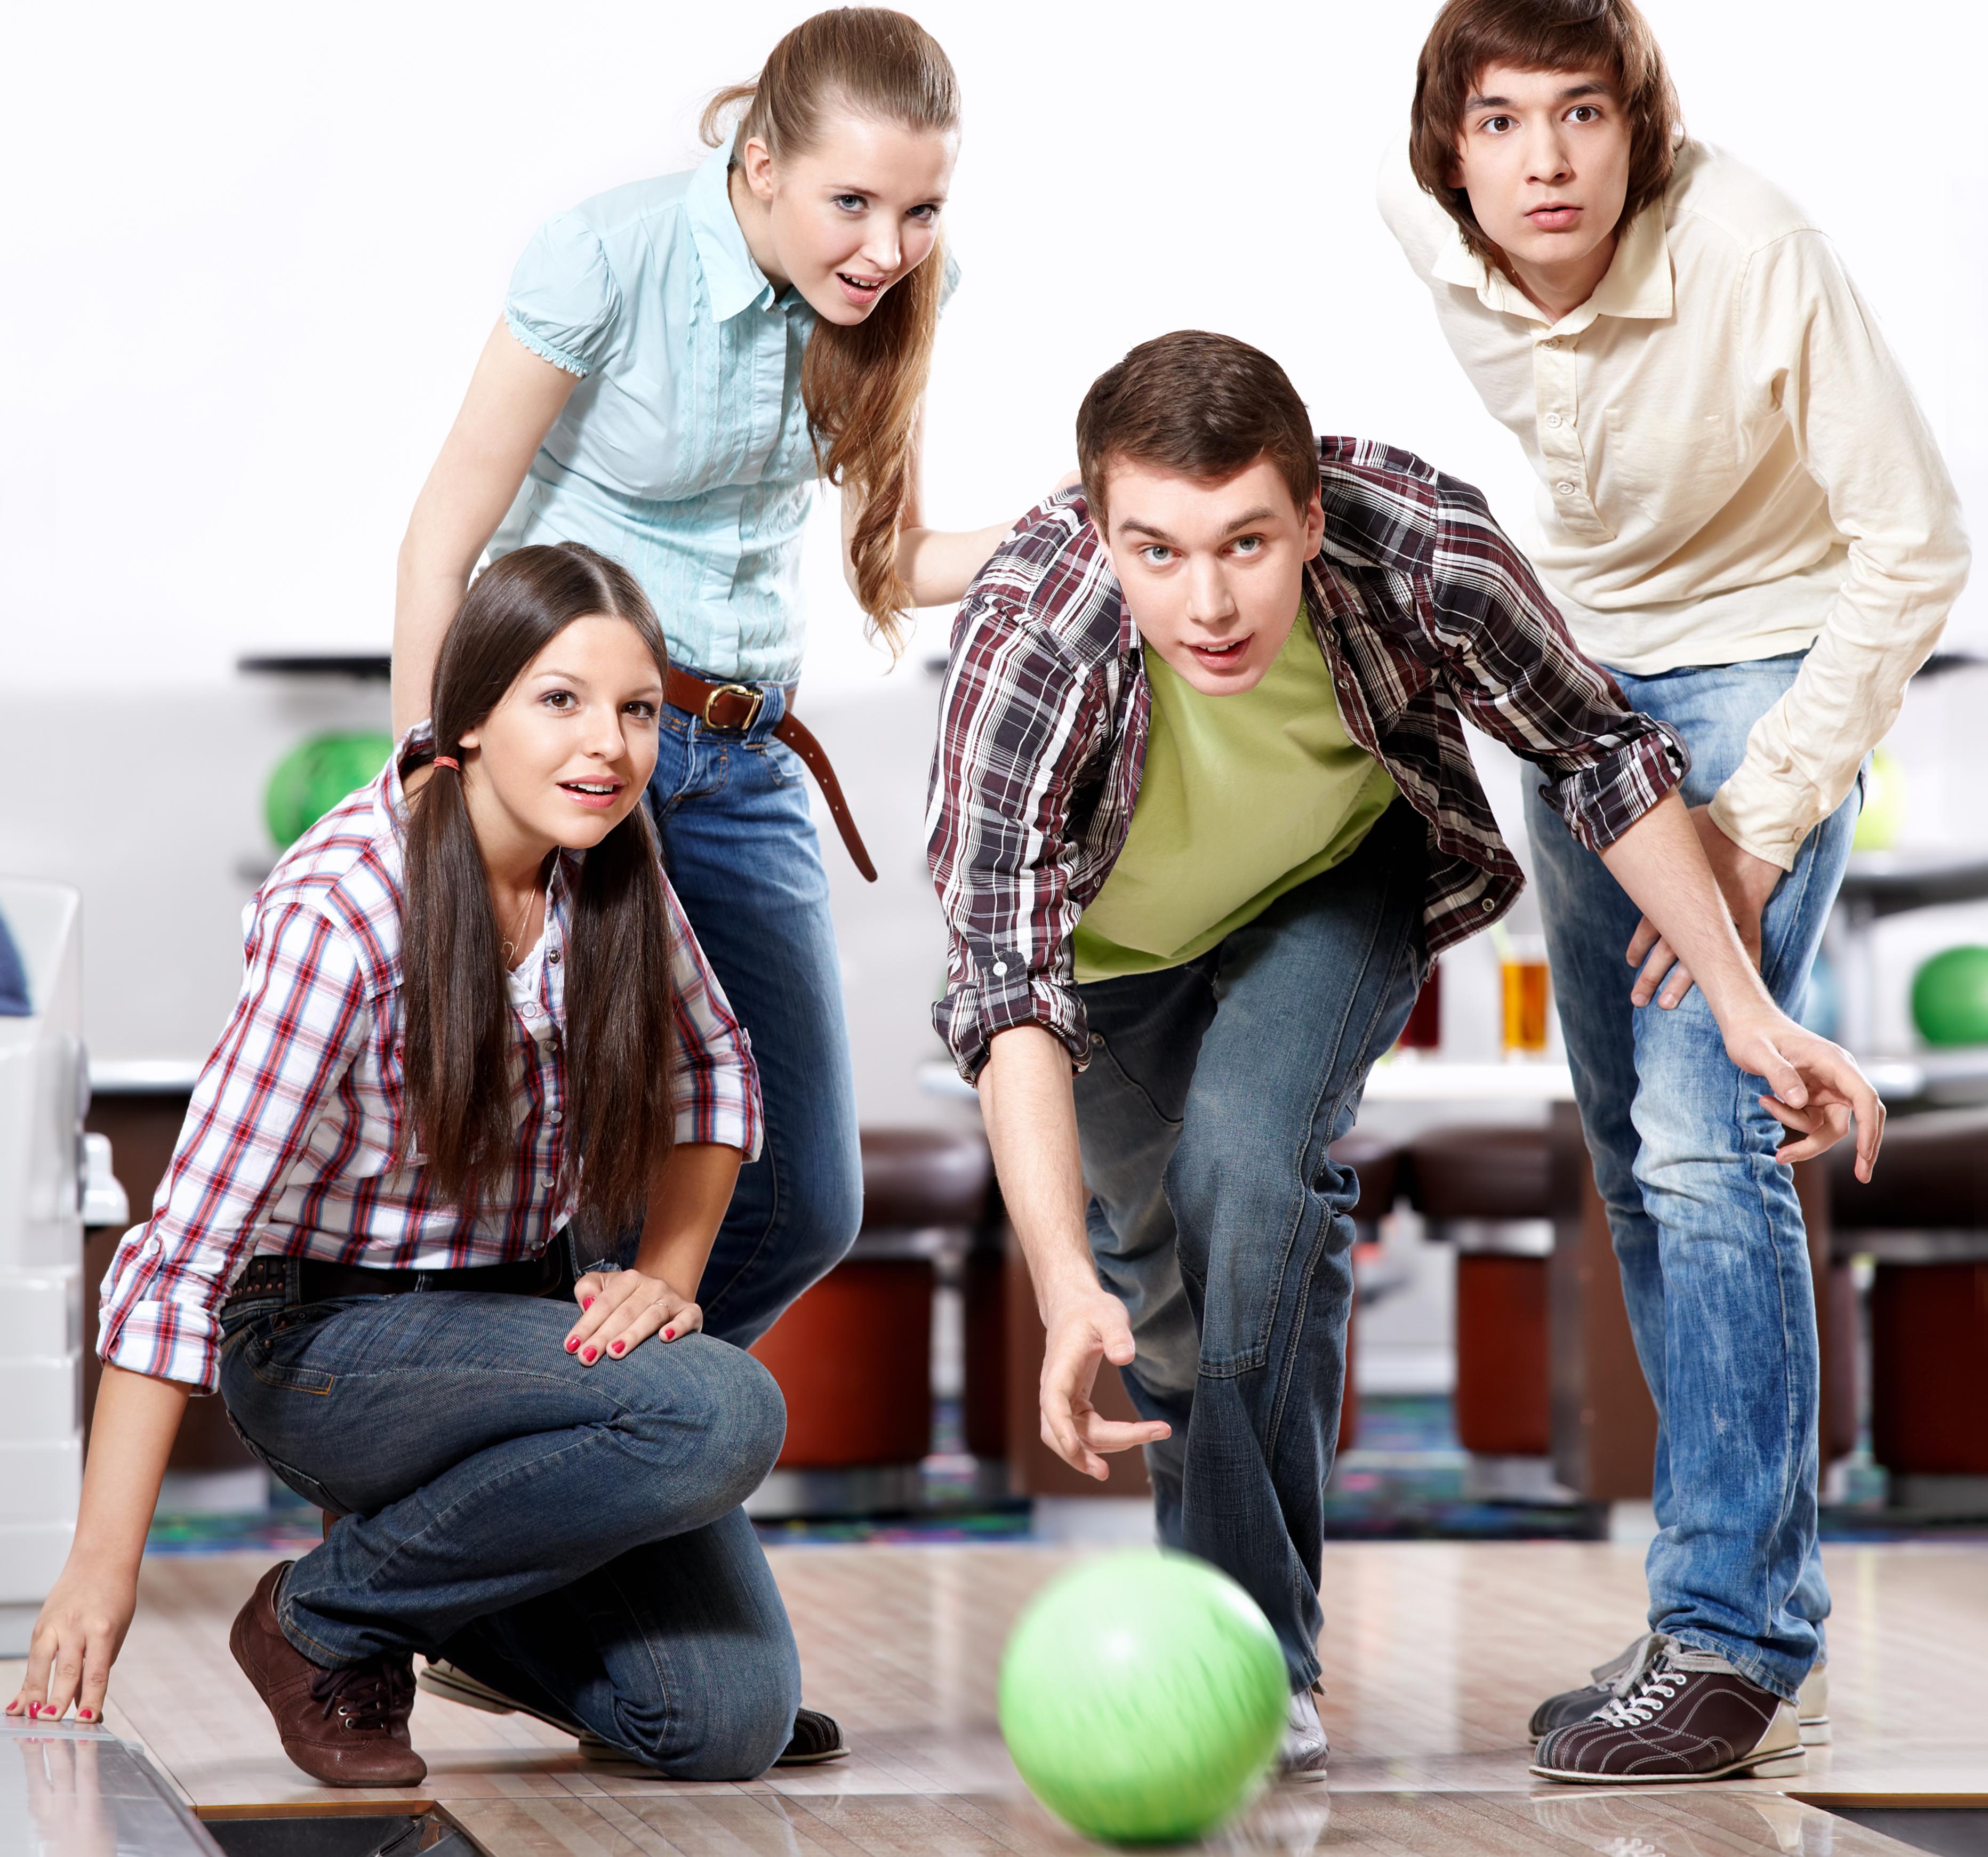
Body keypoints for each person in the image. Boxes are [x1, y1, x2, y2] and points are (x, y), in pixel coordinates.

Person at [926, 330, 1883, 1782]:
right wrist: (1062, 1281)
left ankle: (1255, 1664)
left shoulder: (1421, 545)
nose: (1207, 602)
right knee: (1166, 1311)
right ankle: (1230, 1621)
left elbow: (1596, 752)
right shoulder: (1029, 639)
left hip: (1331, 883)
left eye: (1246, 543)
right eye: (1158, 551)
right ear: (1098, 527)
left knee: (1250, 1175)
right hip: (1105, 971)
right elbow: (1005, 986)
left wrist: (1748, 1008)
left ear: (1310, 517)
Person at [1379, 0, 1968, 1783]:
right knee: (1637, 1157)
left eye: (1581, 114)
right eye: (1500, 122)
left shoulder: (1754, 249)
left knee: (1710, 1149)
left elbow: (1917, 541)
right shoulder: (1424, 223)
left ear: (1640, 126)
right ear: (1449, 148)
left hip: (1756, 685)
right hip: (1577, 701)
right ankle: (1725, 1605)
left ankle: (1732, 1637)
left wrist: (1762, 817)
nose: (1543, 161)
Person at [8, 545, 836, 1785]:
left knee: (723, 1723)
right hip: (325, 1345)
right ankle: (322, 1619)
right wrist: (99, 1567)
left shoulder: (608, 859)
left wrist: (665, 1271)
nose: (606, 745)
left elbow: (714, 1066)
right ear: (471, 716)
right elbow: (179, 1259)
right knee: (722, 1409)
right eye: (560, 700)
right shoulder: (341, 913)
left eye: (635, 709)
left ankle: (426, 1596)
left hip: (519, 1322)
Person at [392, 9, 1023, 1390]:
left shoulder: (900, 292)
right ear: (759, 164)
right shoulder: (606, 259)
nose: (887, 247)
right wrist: (434, 793)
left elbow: (895, 560)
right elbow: (441, 542)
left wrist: (1092, 526)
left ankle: (598, 1436)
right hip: (581, 751)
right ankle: (575, 1461)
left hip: (746, 760)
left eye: (920, 210)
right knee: (581, 1190)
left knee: (802, 1199)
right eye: (852, 203)